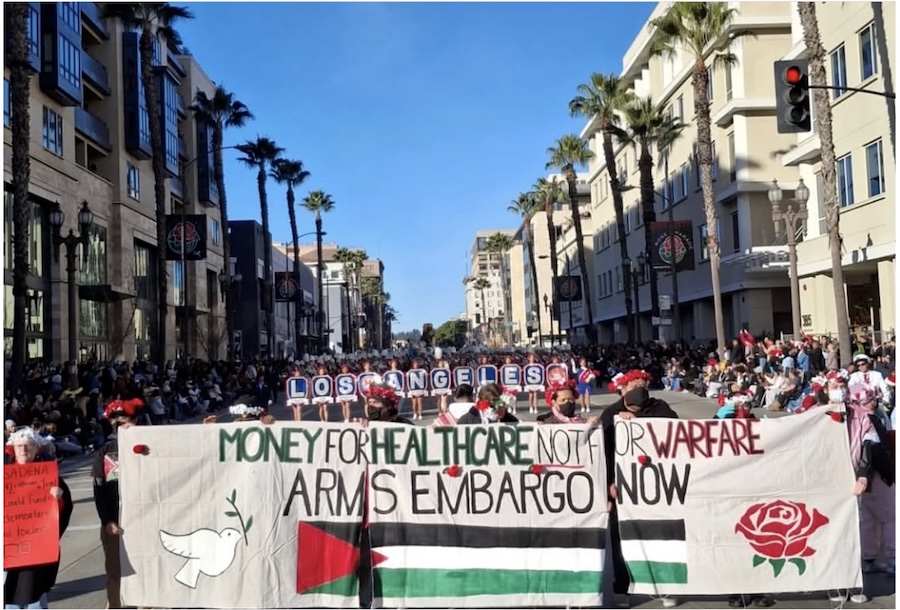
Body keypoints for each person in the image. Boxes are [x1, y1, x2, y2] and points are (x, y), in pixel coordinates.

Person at [600, 386, 679, 609]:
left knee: (661, 534)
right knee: (621, 539)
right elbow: (603, 450)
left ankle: (665, 587)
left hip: (656, 483)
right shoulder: (610, 413)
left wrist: (640, 420)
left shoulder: (660, 408)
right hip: (622, 484)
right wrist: (607, 483)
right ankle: (622, 587)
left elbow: (674, 428)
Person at [4, 428, 73, 609]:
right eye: (19, 446)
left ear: (37, 449)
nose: (24, 450)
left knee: (33, 590)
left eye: (28, 446)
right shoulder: (4, 478)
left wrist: (59, 500)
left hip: (36, 546)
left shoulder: (49, 476)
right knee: (8, 590)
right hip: (8, 545)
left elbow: (62, 514)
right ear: (12, 449)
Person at [92, 398, 142, 609]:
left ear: (136, 420)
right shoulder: (105, 452)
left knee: (145, 572)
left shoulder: (151, 446)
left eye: (125, 419)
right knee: (115, 572)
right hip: (115, 522)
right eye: (117, 421)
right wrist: (107, 520)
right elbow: (99, 489)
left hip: (143, 521)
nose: (122, 424)